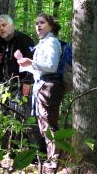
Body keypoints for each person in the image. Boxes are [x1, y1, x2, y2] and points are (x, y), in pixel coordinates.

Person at [17, 13, 64, 168]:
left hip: (49, 87)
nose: (38, 25)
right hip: (42, 86)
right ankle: (51, 159)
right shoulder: (43, 42)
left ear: (50, 25)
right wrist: (26, 64)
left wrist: (32, 62)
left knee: (49, 125)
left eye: (42, 22)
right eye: (36, 23)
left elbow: (51, 66)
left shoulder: (51, 42)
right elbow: (40, 69)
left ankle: (54, 161)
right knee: (44, 125)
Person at [0, 14, 38, 152]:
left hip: (22, 86)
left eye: (4, 25)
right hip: (8, 87)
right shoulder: (3, 43)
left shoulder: (23, 39)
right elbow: (6, 65)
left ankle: (37, 152)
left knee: (27, 119)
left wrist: (28, 81)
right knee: (12, 120)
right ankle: (14, 151)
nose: (1, 29)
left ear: (12, 25)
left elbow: (34, 62)